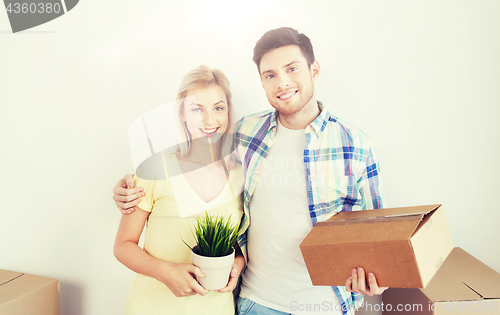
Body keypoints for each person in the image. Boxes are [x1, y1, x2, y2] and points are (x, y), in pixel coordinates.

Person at [114, 28, 387, 315]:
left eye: (292, 68)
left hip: (325, 305)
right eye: (270, 75)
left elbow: (380, 236)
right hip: (257, 302)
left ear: (314, 70)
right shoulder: (247, 135)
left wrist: (379, 279)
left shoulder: (356, 145)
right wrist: (124, 189)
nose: (282, 83)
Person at [113, 65, 245, 315]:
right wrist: (165, 272)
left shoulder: (242, 175)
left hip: (216, 309)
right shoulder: (155, 169)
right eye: (197, 109)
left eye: (218, 108)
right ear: (182, 113)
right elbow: (123, 245)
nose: (209, 120)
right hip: (151, 308)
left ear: (228, 112)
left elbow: (240, 243)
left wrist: (238, 263)